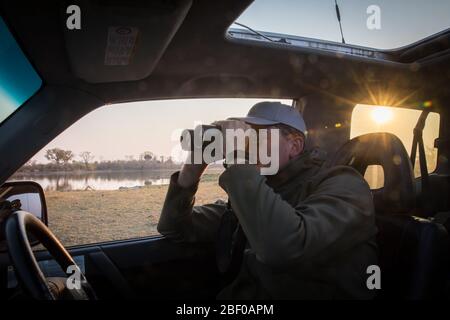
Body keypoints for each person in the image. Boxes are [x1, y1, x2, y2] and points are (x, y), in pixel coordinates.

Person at [158, 101, 378, 299]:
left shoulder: (343, 184)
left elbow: (285, 247)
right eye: (246, 136)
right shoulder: (261, 188)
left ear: (295, 146)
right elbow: (175, 228)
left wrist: (238, 160)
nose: (247, 144)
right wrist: (192, 168)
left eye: (258, 136)